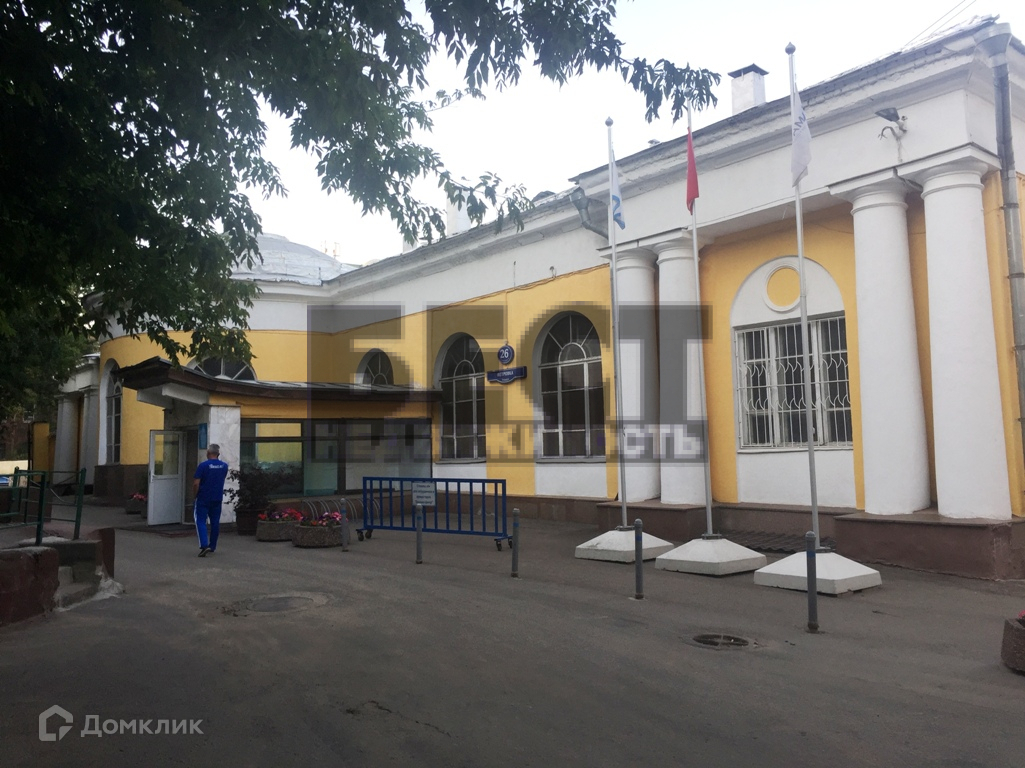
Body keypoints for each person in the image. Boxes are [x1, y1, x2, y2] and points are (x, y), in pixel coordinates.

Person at [193, 443, 229, 557]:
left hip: (203, 497)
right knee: (215, 522)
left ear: (208, 453)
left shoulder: (203, 466)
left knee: (200, 520)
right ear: (218, 454)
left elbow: (196, 483)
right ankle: (212, 546)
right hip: (217, 497)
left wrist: (195, 495)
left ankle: (204, 545)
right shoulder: (224, 466)